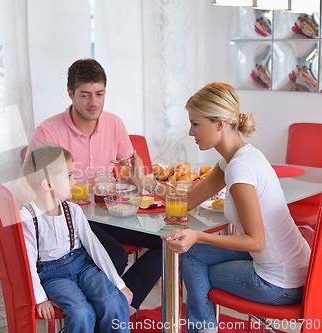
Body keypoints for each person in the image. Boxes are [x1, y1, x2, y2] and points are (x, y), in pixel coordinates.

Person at [130, 82, 311, 333]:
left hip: (280, 283)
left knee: (195, 271)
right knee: (192, 257)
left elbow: (255, 242)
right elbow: (187, 201)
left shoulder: (240, 170)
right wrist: (144, 182)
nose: (191, 132)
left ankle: (203, 329)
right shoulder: (238, 158)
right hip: (297, 267)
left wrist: (197, 236)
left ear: (219, 124)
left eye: (196, 123)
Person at [27, 58, 162, 309]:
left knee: (167, 243)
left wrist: (134, 171)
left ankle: (121, 308)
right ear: (70, 93)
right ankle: (109, 311)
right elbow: (32, 187)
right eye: (85, 95)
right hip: (71, 218)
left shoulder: (114, 123)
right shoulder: (47, 133)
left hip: (108, 212)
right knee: (115, 256)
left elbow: (128, 163)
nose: (94, 103)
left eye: (100, 94)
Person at [19, 145, 131, 333]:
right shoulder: (27, 217)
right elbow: (28, 263)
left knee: (113, 302)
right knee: (81, 312)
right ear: (48, 185)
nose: (75, 181)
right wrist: (40, 298)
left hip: (82, 265)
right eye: (69, 176)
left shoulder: (73, 211)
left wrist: (120, 284)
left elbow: (95, 249)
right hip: (52, 275)